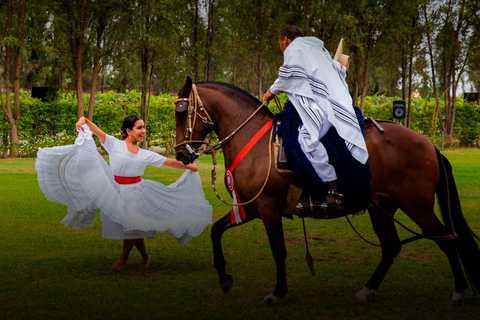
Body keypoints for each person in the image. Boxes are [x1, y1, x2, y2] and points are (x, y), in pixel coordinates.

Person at [36, 115, 212, 271]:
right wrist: (83, 121)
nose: (143, 131)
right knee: (133, 226)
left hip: (137, 192)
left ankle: (123, 259)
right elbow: (95, 129)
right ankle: (145, 256)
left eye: (144, 128)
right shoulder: (114, 145)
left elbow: (171, 163)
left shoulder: (145, 154)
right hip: (116, 190)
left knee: (132, 225)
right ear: (128, 131)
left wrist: (191, 167)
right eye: (139, 128)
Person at [264, 25, 369, 210]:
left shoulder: (294, 48)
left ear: (285, 39)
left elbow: (288, 75)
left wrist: (270, 93)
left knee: (306, 138)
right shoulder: (317, 48)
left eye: (280, 43)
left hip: (323, 106)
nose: (281, 47)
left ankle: (332, 187)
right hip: (337, 102)